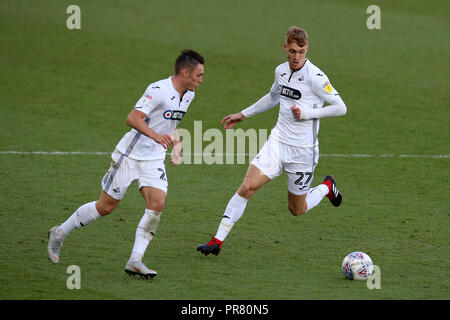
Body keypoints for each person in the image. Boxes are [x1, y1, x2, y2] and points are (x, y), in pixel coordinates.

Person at [48, 49, 205, 278]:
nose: (201, 80)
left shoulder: (188, 94)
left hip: (153, 158)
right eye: (199, 75)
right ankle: (60, 233)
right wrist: (154, 136)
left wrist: (177, 145)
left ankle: (135, 260)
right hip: (129, 155)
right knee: (106, 207)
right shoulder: (158, 90)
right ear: (184, 72)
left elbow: (170, 124)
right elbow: (132, 118)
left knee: (157, 204)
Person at [197, 26, 347, 256]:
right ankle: (217, 240)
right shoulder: (280, 71)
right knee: (247, 187)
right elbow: (273, 96)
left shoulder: (316, 77)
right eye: (293, 51)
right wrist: (243, 114)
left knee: (297, 210)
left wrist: (308, 114)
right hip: (277, 143)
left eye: (302, 52)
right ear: (285, 47)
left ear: (307, 50)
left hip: (302, 152)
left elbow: (340, 107)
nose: (297, 57)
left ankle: (326, 187)